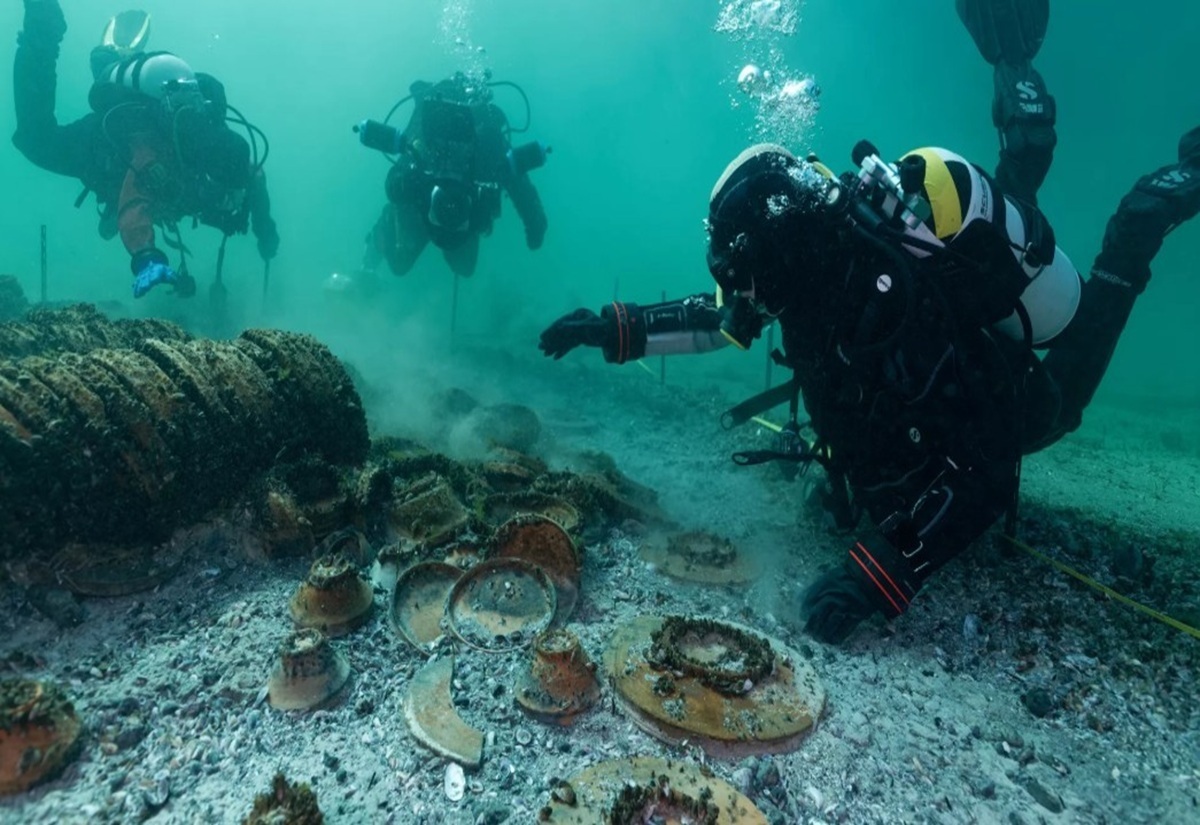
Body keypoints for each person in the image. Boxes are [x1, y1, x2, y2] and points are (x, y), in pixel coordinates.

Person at [537, 0, 1200, 643]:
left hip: (1027, 402)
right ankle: (1020, 101)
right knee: (1010, 205)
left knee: (1084, 334)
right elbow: (720, 320)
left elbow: (991, 465)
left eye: (741, 273)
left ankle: (1147, 209)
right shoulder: (801, 275)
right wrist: (609, 328)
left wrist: (881, 572)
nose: (739, 294)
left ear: (775, 251)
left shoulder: (891, 299)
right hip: (929, 373)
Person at [12, 1, 279, 299]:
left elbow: (255, 176)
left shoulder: (222, 154)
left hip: (132, 147)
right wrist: (147, 257)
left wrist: (265, 229)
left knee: (36, 138)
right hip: (104, 152)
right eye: (226, 194)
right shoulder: (161, 156)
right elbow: (134, 203)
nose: (229, 200)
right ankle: (44, 30)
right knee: (36, 141)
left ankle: (52, 38)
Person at [356, 71, 548, 280]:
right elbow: (394, 183)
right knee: (400, 262)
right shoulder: (428, 135)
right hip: (419, 205)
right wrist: (409, 185)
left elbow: (517, 179)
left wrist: (535, 222)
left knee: (464, 268)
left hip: (465, 215)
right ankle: (384, 226)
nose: (458, 125)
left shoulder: (488, 142)